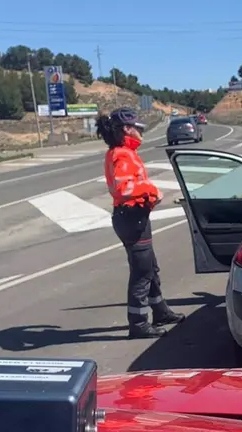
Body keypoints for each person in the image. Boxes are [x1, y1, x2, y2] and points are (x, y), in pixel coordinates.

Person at [98, 107, 186, 339]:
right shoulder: (122, 154)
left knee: (149, 267)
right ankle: (138, 323)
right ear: (126, 129)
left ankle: (160, 311)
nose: (140, 131)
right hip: (132, 217)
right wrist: (151, 190)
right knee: (142, 272)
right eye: (137, 127)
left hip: (132, 216)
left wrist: (147, 197)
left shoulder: (121, 151)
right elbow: (123, 187)